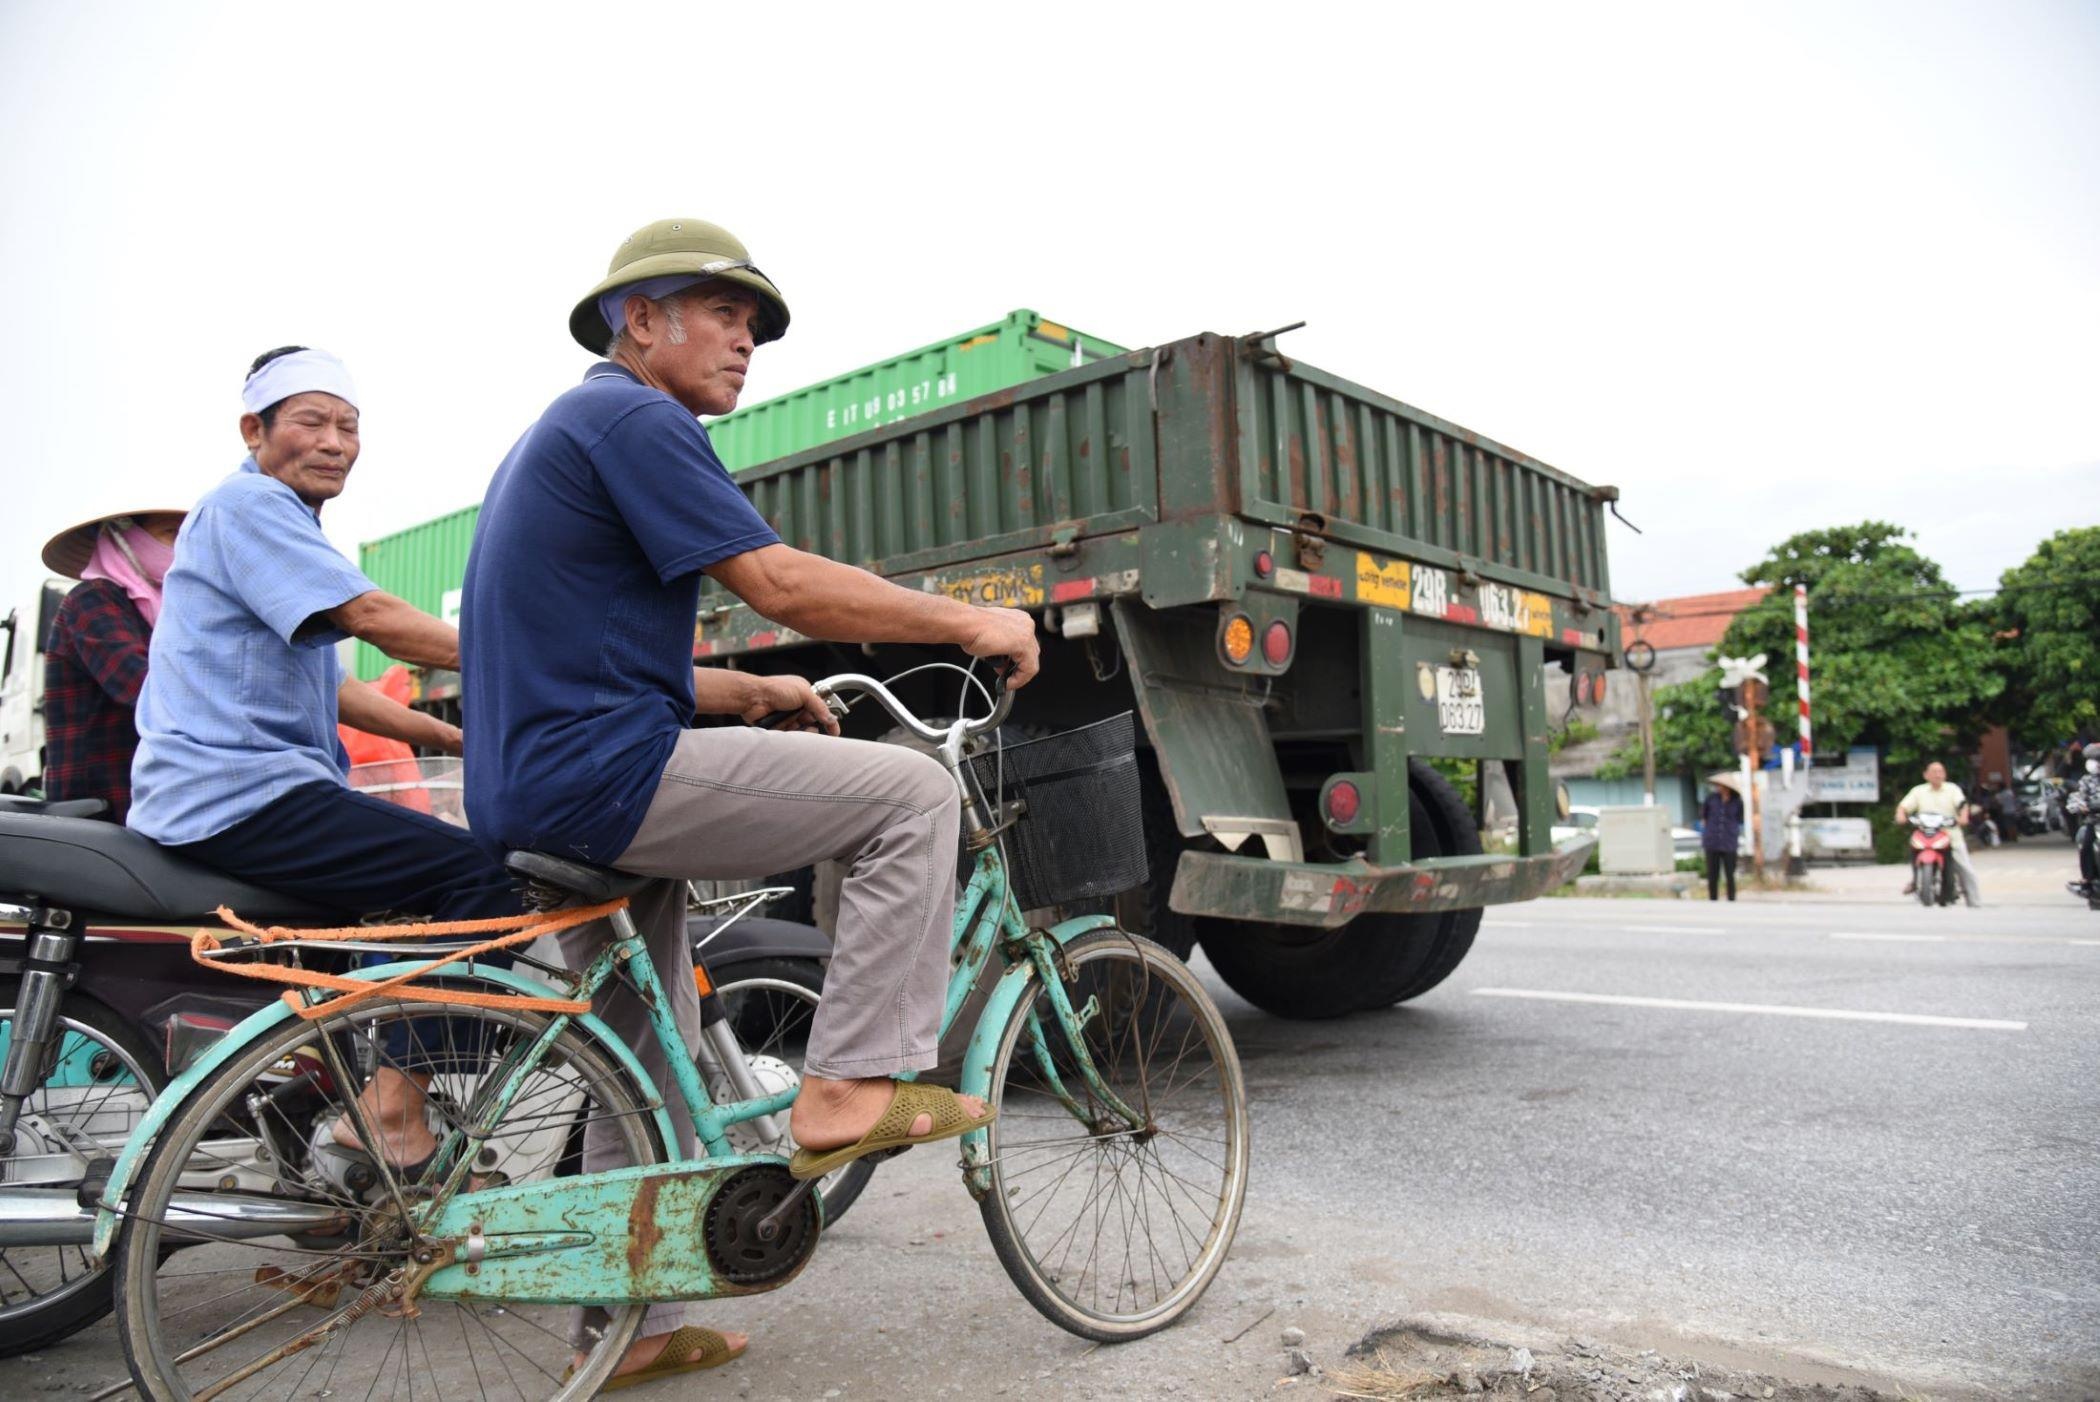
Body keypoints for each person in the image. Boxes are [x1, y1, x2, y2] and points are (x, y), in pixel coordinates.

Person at [459, 218, 1041, 1386]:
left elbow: (591, 641)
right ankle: (845, 1085)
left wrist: (747, 689)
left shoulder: (568, 430)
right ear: (641, 319)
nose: (747, 340)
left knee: (646, 1061)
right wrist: (972, 617)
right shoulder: (634, 416)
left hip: (538, 784)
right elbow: (776, 580)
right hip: (607, 775)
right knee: (911, 796)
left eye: (756, 324)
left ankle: (631, 1328)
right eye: (723, 313)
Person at [129, 345, 519, 1174]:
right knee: (476, 875)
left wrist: (451, 736)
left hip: (240, 793)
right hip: (237, 794)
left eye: (348, 426)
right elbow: (371, 614)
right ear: (254, 429)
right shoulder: (248, 505)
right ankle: (391, 1118)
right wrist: (529, 667)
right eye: (311, 421)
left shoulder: (279, 524)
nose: (335, 441)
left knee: (383, 928)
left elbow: (336, 686)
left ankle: (318, 1108)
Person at [38, 506, 187, 819]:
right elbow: (140, 686)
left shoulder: (175, 612)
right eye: (169, 533)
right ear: (124, 537)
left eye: (188, 535)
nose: (182, 547)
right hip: (100, 810)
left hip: (157, 800)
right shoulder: (92, 600)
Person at [1893, 761, 1980, 906]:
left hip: (1950, 836)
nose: (1937, 774)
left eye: (1940, 771)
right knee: (1913, 848)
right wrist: (1900, 815)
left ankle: (1974, 900)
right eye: (1934, 771)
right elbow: (1903, 806)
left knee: (1965, 869)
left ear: (1945, 774)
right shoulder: (1918, 791)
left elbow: (1962, 804)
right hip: (1926, 835)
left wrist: (1964, 816)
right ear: (1926, 775)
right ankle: (1916, 881)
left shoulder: (1952, 789)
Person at [1699, 777, 1744, 901]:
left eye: (1721, 785)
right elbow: (1704, 818)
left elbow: (1740, 819)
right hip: (1712, 840)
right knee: (1713, 873)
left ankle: (1731, 898)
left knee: (1730, 873)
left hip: (1729, 841)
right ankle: (1713, 898)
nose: (1719, 787)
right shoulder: (1711, 799)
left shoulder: (1737, 801)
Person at [2065, 743, 2100, 903]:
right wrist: (2080, 806)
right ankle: (2088, 880)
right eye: (2093, 759)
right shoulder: (2086, 781)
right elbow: (2076, 799)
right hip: (2095, 822)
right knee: (2086, 845)